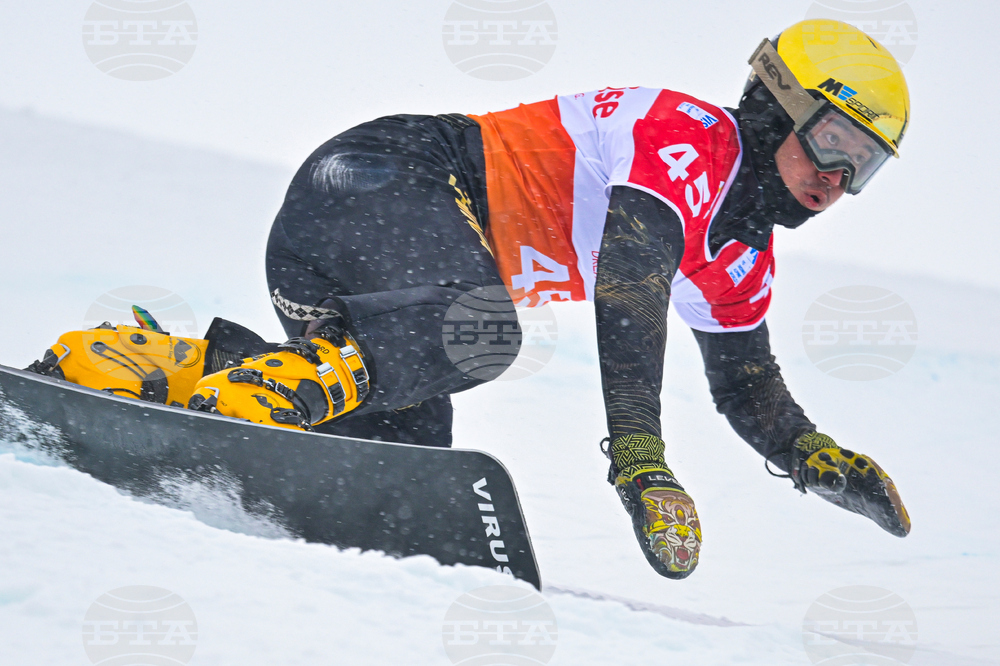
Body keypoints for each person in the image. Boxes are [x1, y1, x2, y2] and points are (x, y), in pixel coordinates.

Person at [29, 19, 911, 579]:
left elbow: (746, 385)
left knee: (397, 475)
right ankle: (264, 388)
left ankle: (149, 368)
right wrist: (639, 457)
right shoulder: (689, 139)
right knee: (485, 332)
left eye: (862, 165)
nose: (836, 178)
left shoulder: (741, 258)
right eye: (832, 141)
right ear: (778, 108)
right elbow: (631, 286)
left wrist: (815, 457)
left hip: (385, 274)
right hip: (375, 182)